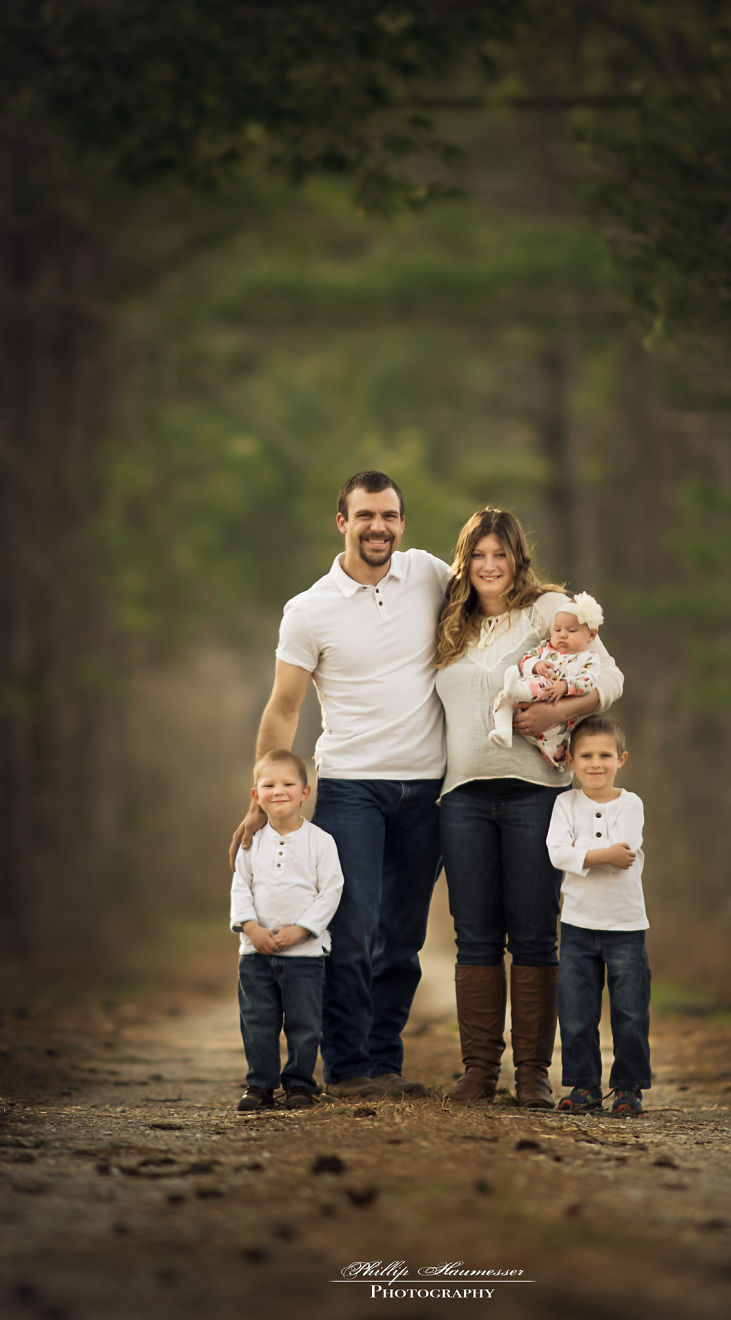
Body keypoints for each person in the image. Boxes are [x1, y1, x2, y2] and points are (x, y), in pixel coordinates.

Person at [230, 472, 450, 1099]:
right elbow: (283, 708)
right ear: (342, 522)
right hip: (353, 785)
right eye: (365, 516)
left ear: (402, 522)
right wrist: (261, 796)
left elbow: (501, 589)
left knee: (403, 938)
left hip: (428, 786)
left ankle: (384, 1063)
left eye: (389, 515)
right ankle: (349, 1069)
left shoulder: (431, 576)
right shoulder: (309, 610)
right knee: (349, 930)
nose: (378, 526)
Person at [435, 508, 624, 1109]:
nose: (490, 567)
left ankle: (533, 1075)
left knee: (537, 935)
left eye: (501, 555)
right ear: (465, 562)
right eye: (479, 556)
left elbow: (611, 676)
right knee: (475, 936)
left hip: (534, 794)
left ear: (518, 559)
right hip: (461, 796)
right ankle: (477, 1072)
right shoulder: (449, 622)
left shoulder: (547, 611)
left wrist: (556, 714)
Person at [546, 715, 651, 1116]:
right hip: (577, 925)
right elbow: (557, 853)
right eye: (586, 755)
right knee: (576, 1014)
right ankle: (584, 1087)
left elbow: (627, 851)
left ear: (621, 758)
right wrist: (599, 855)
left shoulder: (631, 803)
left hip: (625, 927)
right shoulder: (564, 803)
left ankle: (628, 1089)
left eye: (605, 755)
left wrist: (582, 853)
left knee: (629, 1012)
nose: (595, 764)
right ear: (570, 760)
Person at [230, 750, 344, 1112]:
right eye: (269, 785)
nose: (278, 791)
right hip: (256, 955)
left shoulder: (320, 841)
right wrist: (251, 928)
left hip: (304, 957)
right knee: (258, 1024)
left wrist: (303, 930)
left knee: (304, 1025)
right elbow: (240, 888)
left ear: (305, 792)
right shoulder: (251, 842)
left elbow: (332, 890)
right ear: (255, 795)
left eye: (288, 784)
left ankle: (299, 1085)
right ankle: (259, 1085)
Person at [489, 591, 605, 768]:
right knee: (504, 699)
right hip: (524, 700)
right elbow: (527, 658)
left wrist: (565, 686)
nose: (562, 635)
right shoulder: (545, 648)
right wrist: (536, 665)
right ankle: (503, 731)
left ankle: (518, 690)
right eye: (557, 630)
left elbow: (589, 681)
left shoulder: (588, 658)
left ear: (591, 635)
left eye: (571, 630)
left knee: (553, 743)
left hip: (551, 706)